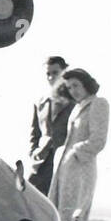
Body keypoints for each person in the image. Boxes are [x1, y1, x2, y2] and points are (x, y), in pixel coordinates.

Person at [48, 67, 108, 221]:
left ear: (85, 83)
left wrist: (76, 152)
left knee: (76, 220)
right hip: (67, 171)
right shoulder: (77, 107)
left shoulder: (98, 103)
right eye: (69, 87)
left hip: (82, 169)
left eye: (76, 85)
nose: (72, 90)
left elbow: (98, 140)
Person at [28, 56, 72, 195]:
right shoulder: (40, 102)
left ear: (64, 72)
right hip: (41, 162)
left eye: (55, 72)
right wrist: (34, 152)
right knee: (30, 199)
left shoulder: (75, 101)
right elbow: (34, 133)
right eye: (48, 73)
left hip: (64, 162)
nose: (51, 77)